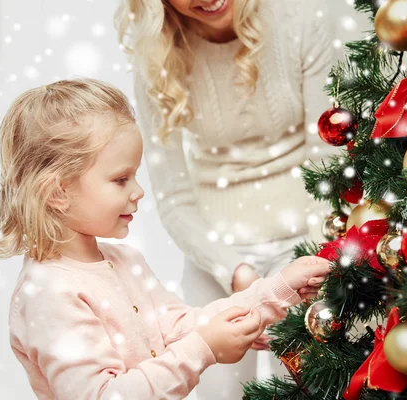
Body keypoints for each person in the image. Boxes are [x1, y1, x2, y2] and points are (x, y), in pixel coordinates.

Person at [0, 78, 331, 399]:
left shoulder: (125, 261)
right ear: (58, 192)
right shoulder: (48, 292)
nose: (139, 192)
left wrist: (281, 288)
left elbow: (183, 327)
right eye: (120, 179)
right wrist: (204, 348)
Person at [115, 0, 338, 396]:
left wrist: (301, 266)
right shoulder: (156, 56)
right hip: (217, 256)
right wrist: (238, 273)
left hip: (308, 241)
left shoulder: (299, 20)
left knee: (317, 386)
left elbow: (328, 158)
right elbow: (173, 196)